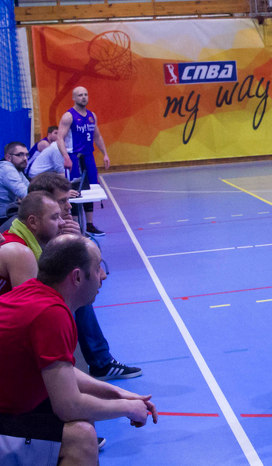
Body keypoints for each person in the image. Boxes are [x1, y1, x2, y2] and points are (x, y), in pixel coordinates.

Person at [0, 235, 157, 465]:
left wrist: (117, 393)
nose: (103, 275)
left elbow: (59, 371)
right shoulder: (51, 314)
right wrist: (127, 408)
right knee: (80, 439)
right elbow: (68, 406)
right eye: (98, 267)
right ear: (77, 277)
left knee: (84, 417)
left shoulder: (34, 293)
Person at [28, 173, 142, 380]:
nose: (69, 207)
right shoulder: (20, 242)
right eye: (62, 201)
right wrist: (67, 243)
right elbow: (38, 282)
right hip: (28, 306)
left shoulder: (53, 226)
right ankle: (88, 364)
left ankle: (98, 362)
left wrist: (77, 239)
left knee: (79, 289)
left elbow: (93, 262)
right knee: (74, 289)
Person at [56, 86, 111, 237]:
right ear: (74, 98)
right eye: (80, 95)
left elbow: (97, 136)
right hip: (74, 156)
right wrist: (66, 157)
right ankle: (76, 226)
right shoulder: (68, 116)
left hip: (88, 156)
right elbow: (59, 137)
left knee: (90, 189)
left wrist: (105, 154)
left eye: (86, 94)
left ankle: (90, 224)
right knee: (74, 191)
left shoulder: (92, 116)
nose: (84, 97)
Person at [0, 191, 64, 296]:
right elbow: (32, 304)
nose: (62, 223)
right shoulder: (19, 252)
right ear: (33, 222)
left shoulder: (19, 238)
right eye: (55, 217)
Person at [0, 142, 30, 224]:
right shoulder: (6, 168)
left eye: (27, 155)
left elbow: (31, 189)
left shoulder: (17, 169)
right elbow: (26, 194)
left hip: (8, 213)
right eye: (20, 155)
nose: (25, 158)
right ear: (8, 157)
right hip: (3, 217)